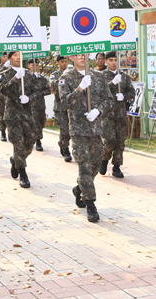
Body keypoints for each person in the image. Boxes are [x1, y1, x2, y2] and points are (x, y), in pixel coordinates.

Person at [59, 54, 113, 222]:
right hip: (78, 130)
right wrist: (80, 88)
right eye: (78, 55)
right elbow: (63, 103)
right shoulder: (66, 78)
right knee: (84, 166)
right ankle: (90, 204)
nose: (82, 57)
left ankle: (79, 188)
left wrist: (98, 110)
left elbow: (108, 99)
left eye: (84, 54)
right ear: (71, 57)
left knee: (96, 163)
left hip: (95, 129)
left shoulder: (98, 76)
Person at [0, 51, 40, 188]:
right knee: (18, 144)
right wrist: (15, 78)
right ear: (9, 58)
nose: (18, 57)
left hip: (27, 115)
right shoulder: (3, 74)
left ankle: (15, 160)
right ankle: (23, 174)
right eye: (15, 55)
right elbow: (3, 90)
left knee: (29, 143)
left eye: (19, 55)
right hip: (12, 115)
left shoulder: (28, 74)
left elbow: (37, 91)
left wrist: (29, 98)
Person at [99, 51, 135, 178]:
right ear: (106, 62)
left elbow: (132, 92)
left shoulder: (124, 76)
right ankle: (103, 160)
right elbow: (99, 92)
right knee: (109, 140)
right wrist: (112, 83)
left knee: (120, 142)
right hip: (107, 114)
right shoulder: (101, 76)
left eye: (115, 60)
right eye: (111, 60)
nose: (113, 62)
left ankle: (116, 167)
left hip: (120, 114)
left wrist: (124, 96)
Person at [50, 55, 72, 162]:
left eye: (66, 61)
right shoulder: (55, 74)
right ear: (58, 63)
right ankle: (66, 149)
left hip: (71, 107)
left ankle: (62, 143)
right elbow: (53, 86)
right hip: (60, 108)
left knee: (71, 130)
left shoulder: (72, 74)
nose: (64, 63)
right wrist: (62, 76)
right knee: (64, 130)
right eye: (62, 61)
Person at [27, 59, 51, 151]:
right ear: (29, 66)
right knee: (35, 122)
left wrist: (40, 93)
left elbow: (48, 90)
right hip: (30, 105)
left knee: (41, 122)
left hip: (41, 105)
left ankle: (34, 136)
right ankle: (38, 141)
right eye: (33, 65)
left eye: (37, 65)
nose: (35, 67)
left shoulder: (42, 78)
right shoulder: (25, 78)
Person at [0, 52, 9, 141]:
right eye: (4, 57)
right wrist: (4, 67)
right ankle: (3, 132)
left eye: (7, 57)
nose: (5, 58)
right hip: (0, 96)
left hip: (11, 97)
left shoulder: (14, 68)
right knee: (1, 115)